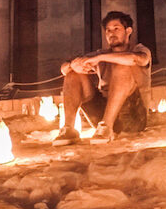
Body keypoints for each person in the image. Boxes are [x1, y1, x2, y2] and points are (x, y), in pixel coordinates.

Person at [57, 10, 151, 143]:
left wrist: (100, 57)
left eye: (116, 29)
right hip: (101, 115)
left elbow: (137, 60)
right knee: (73, 75)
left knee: (122, 67)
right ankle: (69, 129)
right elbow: (64, 69)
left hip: (132, 118)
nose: (111, 34)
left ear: (128, 31)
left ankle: (107, 126)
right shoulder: (100, 54)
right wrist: (73, 65)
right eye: (108, 30)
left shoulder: (139, 50)